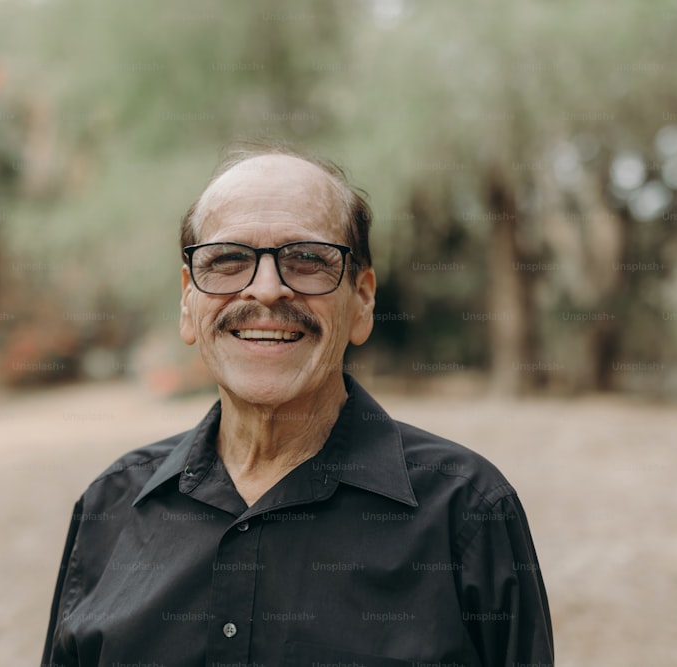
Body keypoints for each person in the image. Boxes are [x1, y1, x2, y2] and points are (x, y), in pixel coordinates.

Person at [41, 143, 554, 666]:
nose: (266, 290)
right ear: (187, 302)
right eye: (228, 259)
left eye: (307, 259)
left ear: (362, 301)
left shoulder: (467, 513)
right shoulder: (110, 507)